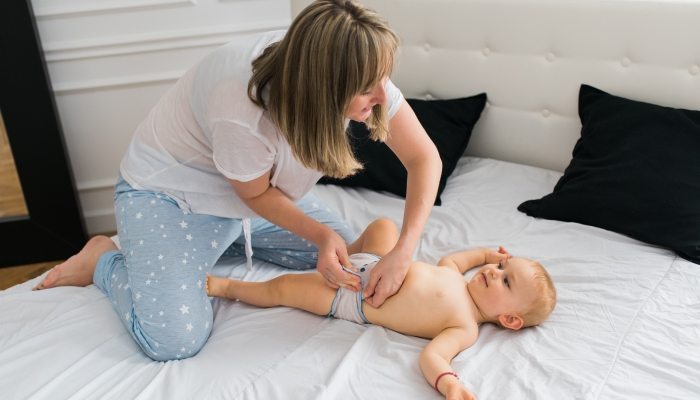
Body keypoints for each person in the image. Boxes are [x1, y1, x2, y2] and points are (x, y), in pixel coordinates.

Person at [30, 0, 441, 362]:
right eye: (370, 88)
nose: (383, 96)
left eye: (382, 81)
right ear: (325, 88)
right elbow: (255, 193)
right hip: (173, 196)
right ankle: (102, 258)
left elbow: (424, 157)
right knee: (173, 340)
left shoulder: (348, 60)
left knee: (348, 257)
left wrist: (405, 249)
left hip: (247, 194)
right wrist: (317, 235)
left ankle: (220, 244)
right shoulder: (242, 104)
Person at [206, 219, 557, 399]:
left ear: (509, 319)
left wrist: (449, 383)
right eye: (502, 268)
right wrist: (486, 255)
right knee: (384, 226)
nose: (494, 274)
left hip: (351, 295)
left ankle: (227, 287)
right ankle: (341, 254)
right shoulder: (456, 277)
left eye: (506, 282)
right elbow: (454, 259)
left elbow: (432, 358)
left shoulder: (464, 326)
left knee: (284, 288)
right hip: (376, 262)